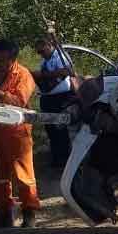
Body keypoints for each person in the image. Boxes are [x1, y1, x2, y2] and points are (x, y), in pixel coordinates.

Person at [0, 38, 39, 229]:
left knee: (23, 173)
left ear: (13, 60)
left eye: (2, 60)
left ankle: (29, 214)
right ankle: (4, 214)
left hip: (16, 131)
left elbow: (19, 101)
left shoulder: (23, 75)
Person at [32, 37, 75, 169]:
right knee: (50, 129)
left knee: (60, 128)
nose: (41, 54)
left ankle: (64, 159)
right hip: (48, 97)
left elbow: (67, 71)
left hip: (61, 98)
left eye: (42, 51)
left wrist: (44, 75)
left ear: (49, 45)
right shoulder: (45, 61)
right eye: (39, 52)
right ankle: (56, 158)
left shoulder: (60, 56)